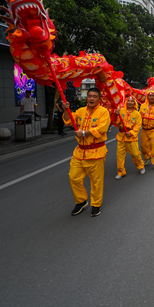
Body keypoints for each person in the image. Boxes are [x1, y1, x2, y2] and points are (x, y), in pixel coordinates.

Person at [61, 87, 110, 217]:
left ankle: (96, 204)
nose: (91, 98)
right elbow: (68, 121)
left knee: (96, 181)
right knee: (74, 177)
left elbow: (102, 128)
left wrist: (84, 132)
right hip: (79, 153)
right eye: (89, 96)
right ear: (86, 98)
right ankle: (81, 201)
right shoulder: (81, 111)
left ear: (99, 99)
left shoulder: (103, 112)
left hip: (96, 152)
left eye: (94, 96)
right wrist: (66, 109)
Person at [114, 96, 146, 179]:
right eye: (129, 101)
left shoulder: (137, 114)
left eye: (132, 101)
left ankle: (141, 166)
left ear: (135, 103)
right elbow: (116, 122)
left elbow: (138, 125)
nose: (130, 103)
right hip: (121, 136)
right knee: (120, 156)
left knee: (135, 154)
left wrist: (131, 133)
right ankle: (121, 172)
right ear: (126, 102)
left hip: (131, 137)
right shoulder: (121, 111)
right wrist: (116, 116)